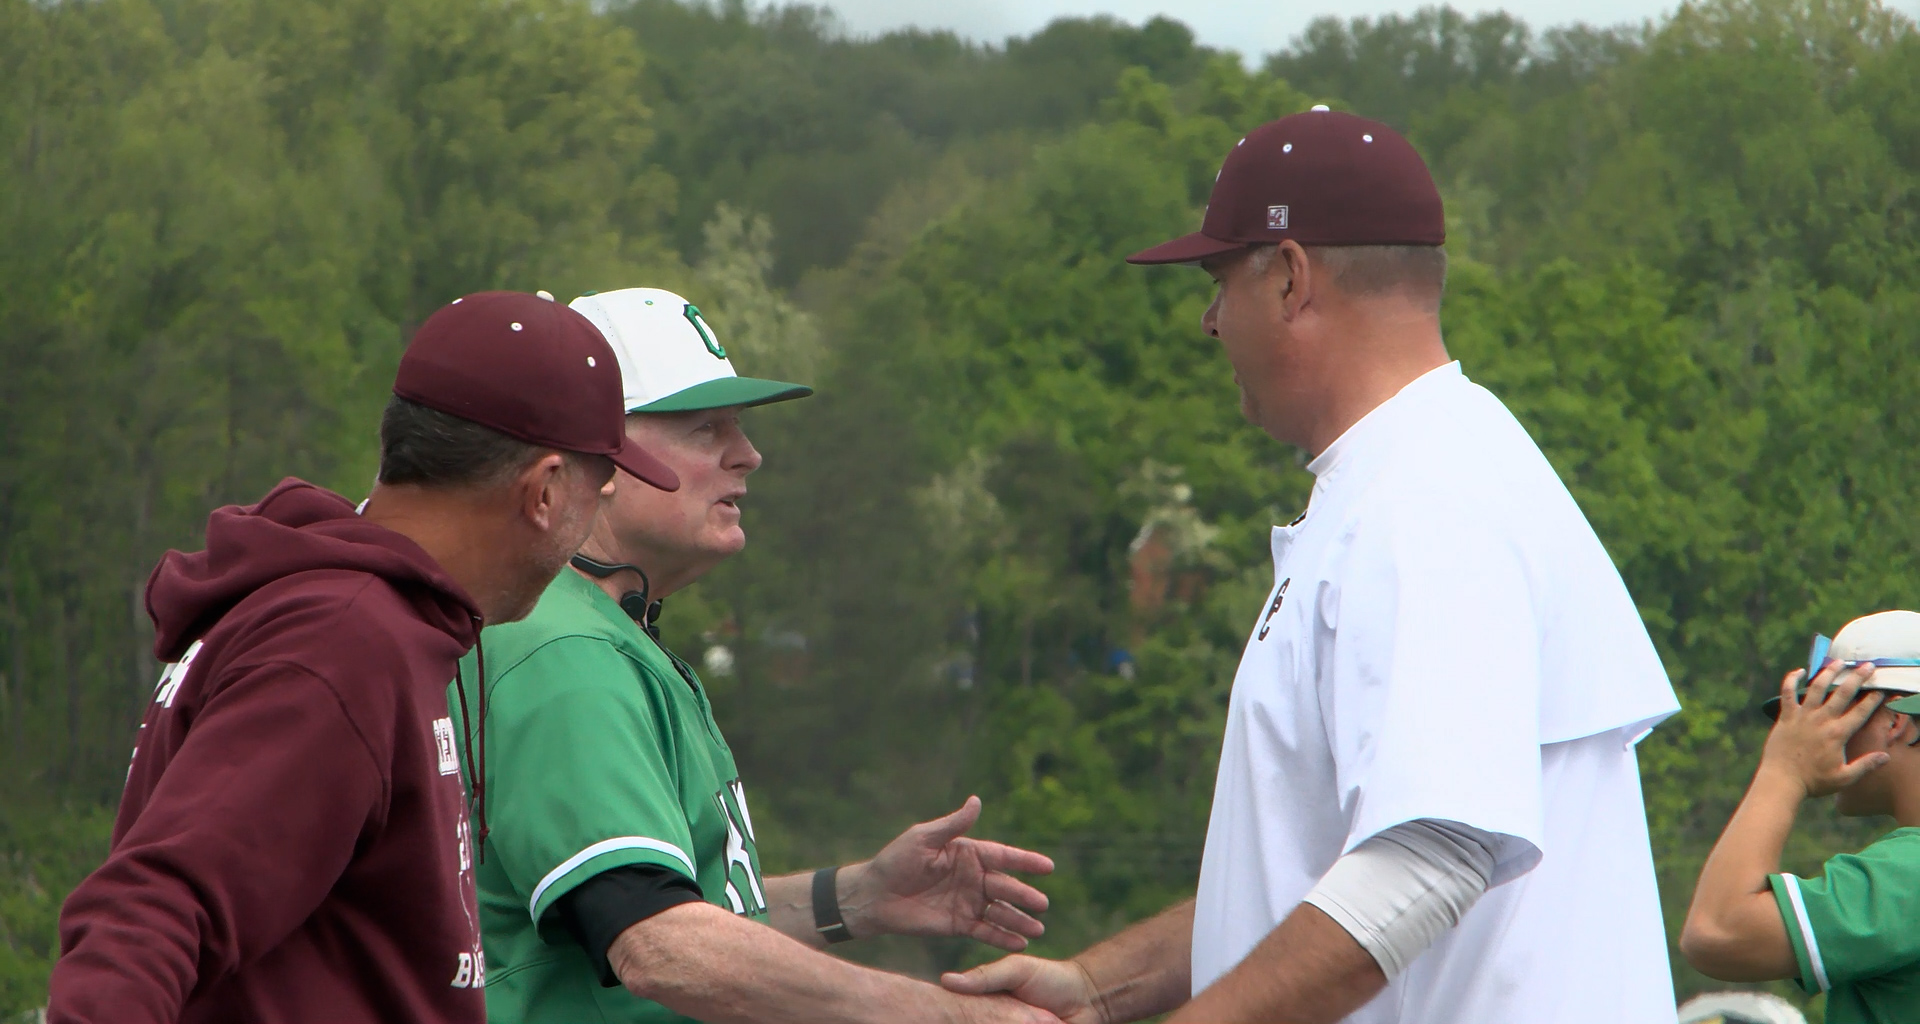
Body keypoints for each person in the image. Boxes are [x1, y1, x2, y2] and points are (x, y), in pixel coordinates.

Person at [943, 108, 1683, 1022]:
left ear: (1291, 277)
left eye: (1220, 281)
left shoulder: (1429, 500)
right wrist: (1105, 988)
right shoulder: (1427, 472)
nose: (1210, 322)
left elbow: (1430, 855)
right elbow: (1328, 864)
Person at [48, 291, 678, 1024]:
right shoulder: (341, 642)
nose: (586, 525)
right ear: (543, 491)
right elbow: (151, 908)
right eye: (595, 495)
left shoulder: (361, 620)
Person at [458, 287, 1062, 1024]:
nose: (747, 455)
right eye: (706, 427)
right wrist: (952, 1016)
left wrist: (859, 896)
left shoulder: (602, 627)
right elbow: (657, 943)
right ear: (601, 460)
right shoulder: (564, 649)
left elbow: (667, 902)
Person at [1682, 610, 1920, 1024]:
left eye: (1831, 710)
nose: (1815, 731)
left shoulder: (1910, 875)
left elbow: (1717, 931)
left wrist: (1785, 770)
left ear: (1894, 721)